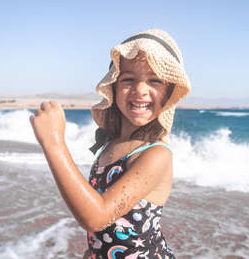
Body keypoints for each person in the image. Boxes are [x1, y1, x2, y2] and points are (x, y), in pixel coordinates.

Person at [30, 29, 190, 259]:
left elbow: (96, 217)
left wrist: (54, 144)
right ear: (113, 87)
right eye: (128, 79)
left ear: (168, 93)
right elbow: (104, 223)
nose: (140, 90)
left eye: (154, 80)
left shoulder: (156, 154)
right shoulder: (110, 145)